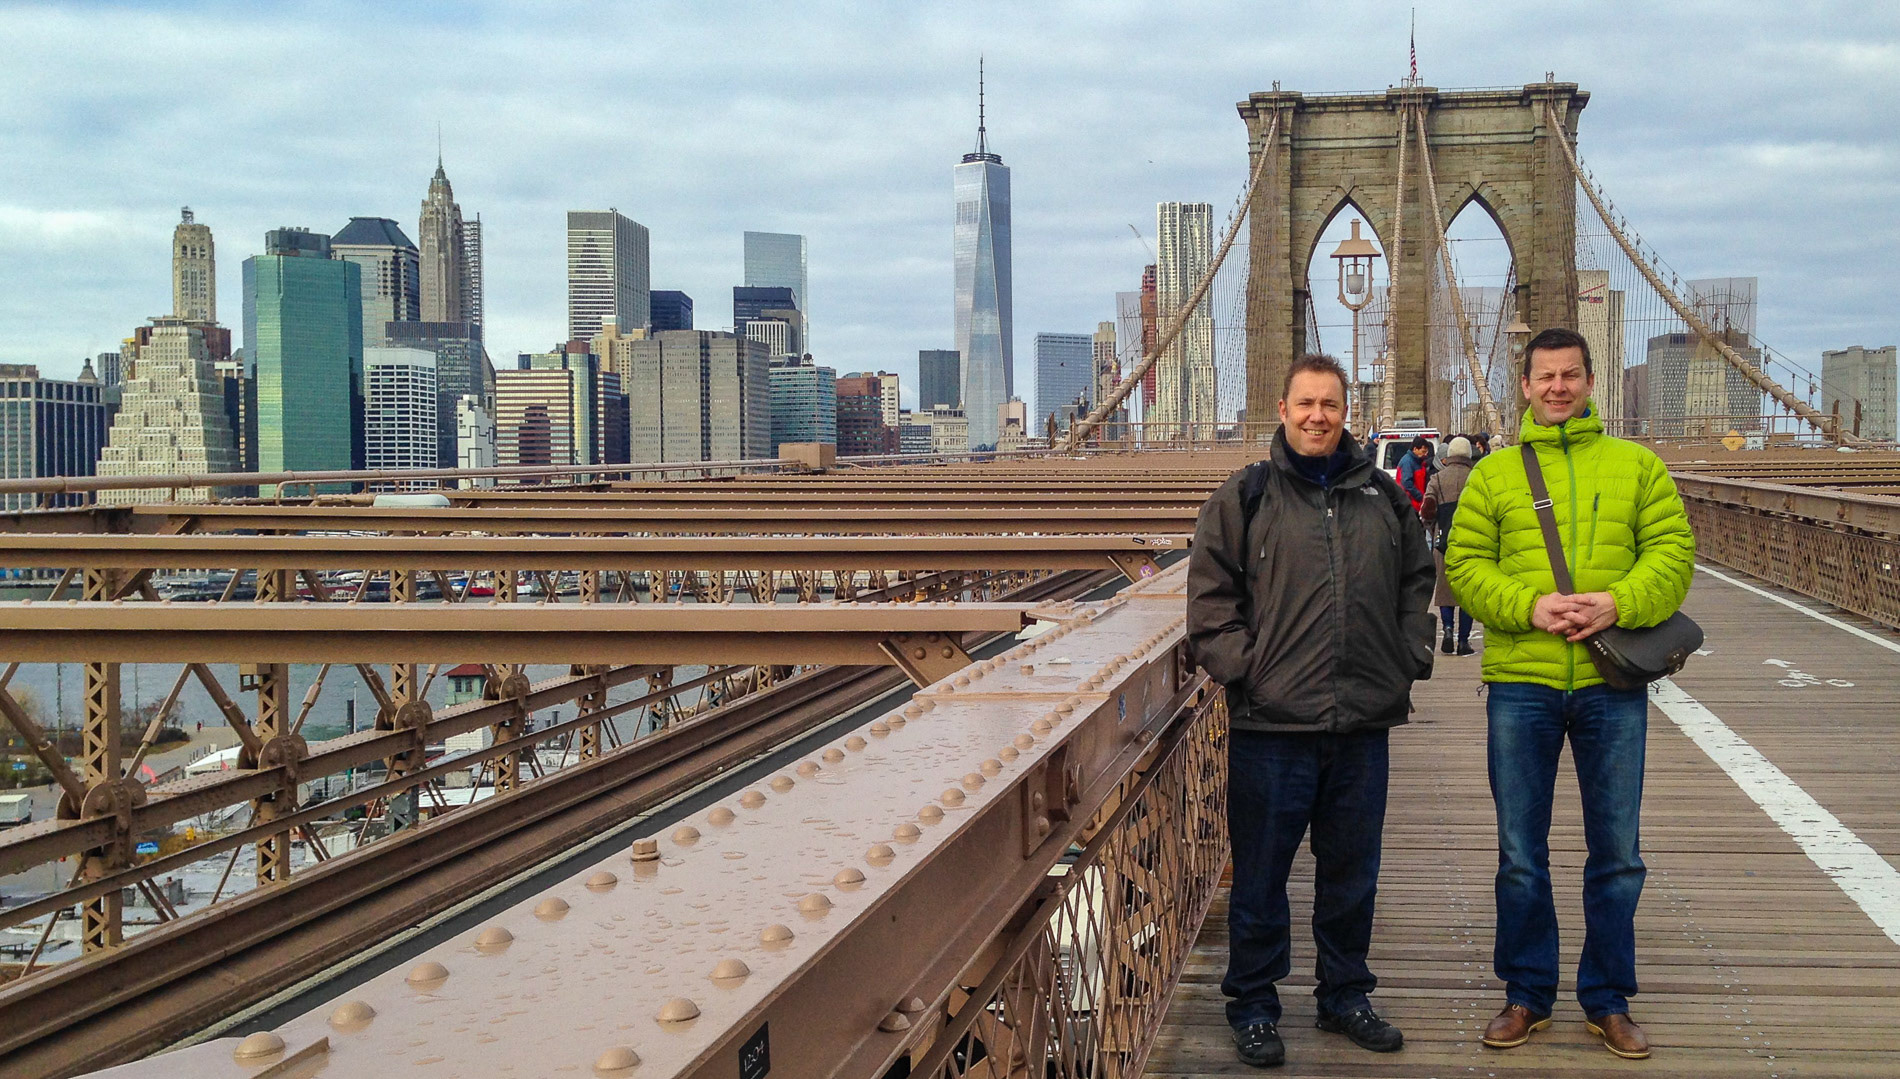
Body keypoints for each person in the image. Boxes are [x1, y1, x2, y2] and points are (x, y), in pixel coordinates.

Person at [1444, 327, 1695, 1061]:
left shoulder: (1638, 466)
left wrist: (1619, 602)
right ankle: (1527, 992)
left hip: (1610, 685)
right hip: (1521, 683)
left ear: (1590, 381)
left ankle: (1608, 999)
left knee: (1617, 851)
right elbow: (1463, 564)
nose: (1558, 386)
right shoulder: (1493, 476)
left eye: (1571, 374)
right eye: (1545, 376)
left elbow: (1674, 555)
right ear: (1524, 386)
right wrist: (1530, 607)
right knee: (1520, 851)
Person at [1188, 353, 1436, 1068]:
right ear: (1283, 408)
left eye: (1329, 404)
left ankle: (1345, 996)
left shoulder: (1382, 496)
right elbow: (1209, 600)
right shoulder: (1244, 497)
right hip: (1271, 728)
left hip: (1361, 723)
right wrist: (1249, 673)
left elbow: (1417, 578)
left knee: (1352, 875)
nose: (1317, 416)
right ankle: (1254, 1006)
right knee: (1262, 877)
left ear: (1345, 412)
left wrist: (1408, 654)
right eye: (1305, 403)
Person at [1420, 436, 1476, 656]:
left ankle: (1448, 630)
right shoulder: (1476, 477)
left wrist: (1433, 529)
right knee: (1468, 591)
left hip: (1443, 541)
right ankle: (1463, 641)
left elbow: (1427, 510)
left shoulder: (1437, 478)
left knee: (1444, 588)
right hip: (1472, 541)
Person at [1397, 436, 1433, 511]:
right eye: (1423, 451)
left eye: (1426, 452)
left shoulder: (1419, 462)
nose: (1425, 454)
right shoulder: (1407, 462)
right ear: (1415, 449)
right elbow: (1406, 483)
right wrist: (1420, 496)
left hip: (1417, 503)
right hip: (1411, 503)